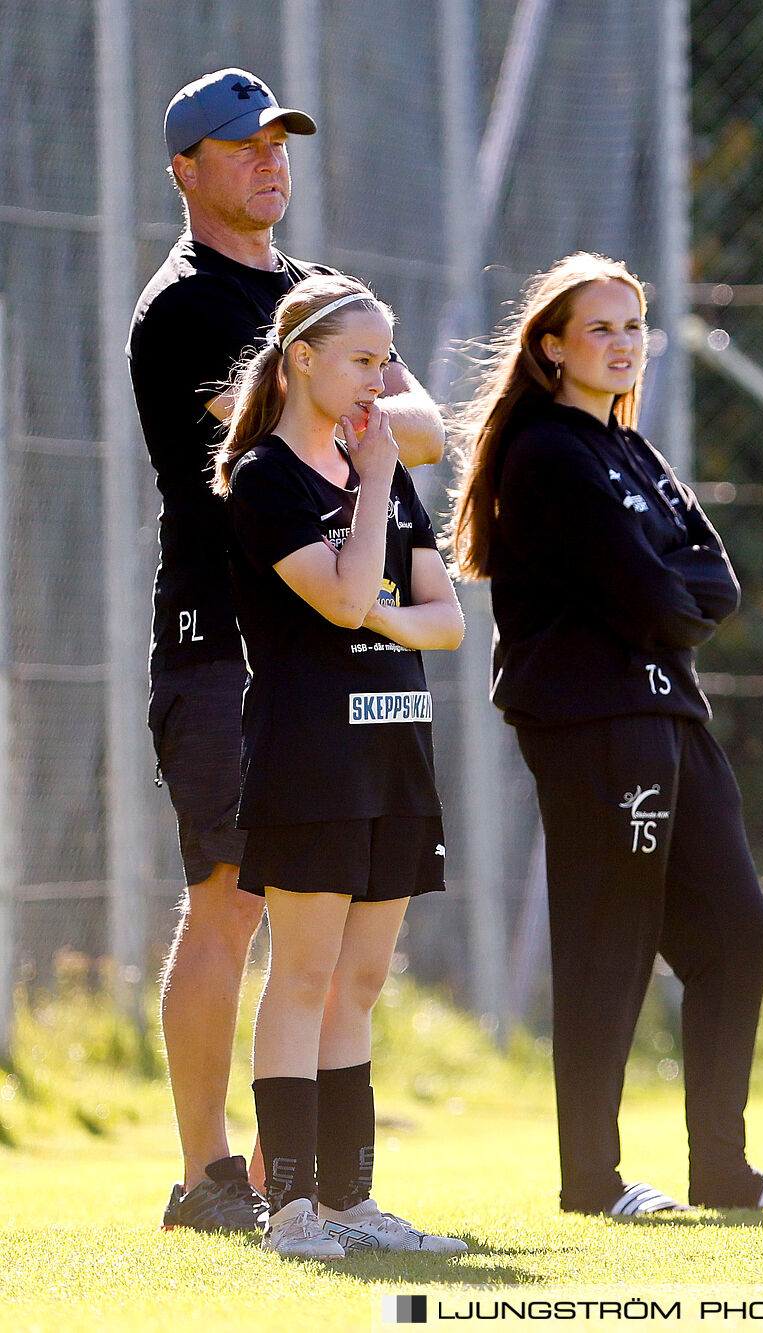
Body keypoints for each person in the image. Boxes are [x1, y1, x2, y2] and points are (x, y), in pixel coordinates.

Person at [129, 67, 445, 1232]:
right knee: (231, 895)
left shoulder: (320, 294)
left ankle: (296, 1183)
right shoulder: (183, 304)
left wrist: (360, 408)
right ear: (187, 171)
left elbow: (425, 429)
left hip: (330, 651)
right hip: (220, 643)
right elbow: (286, 425)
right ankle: (207, 1175)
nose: (270, 161)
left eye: (278, 141)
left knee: (338, 914)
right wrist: (365, 413)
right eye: (240, 144)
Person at [449, 253, 763, 1221]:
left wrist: (669, 600)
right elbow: (657, 592)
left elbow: (714, 583)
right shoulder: (546, 452)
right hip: (594, 721)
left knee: (737, 928)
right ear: (551, 347)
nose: (622, 345)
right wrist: (668, 598)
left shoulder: (629, 449)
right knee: (607, 940)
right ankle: (591, 1180)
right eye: (600, 329)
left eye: (632, 327)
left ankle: (722, 1168)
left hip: (668, 708)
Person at [214, 276, 467, 1259]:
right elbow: (344, 588)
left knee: (361, 980)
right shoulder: (268, 479)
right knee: (306, 975)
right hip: (312, 757)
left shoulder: (381, 469)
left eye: (388, 360)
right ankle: (292, 1210)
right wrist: (367, 490)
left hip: (395, 748)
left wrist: (378, 612)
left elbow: (442, 619)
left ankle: (355, 1202)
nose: (383, 382)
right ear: (302, 362)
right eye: (365, 361)